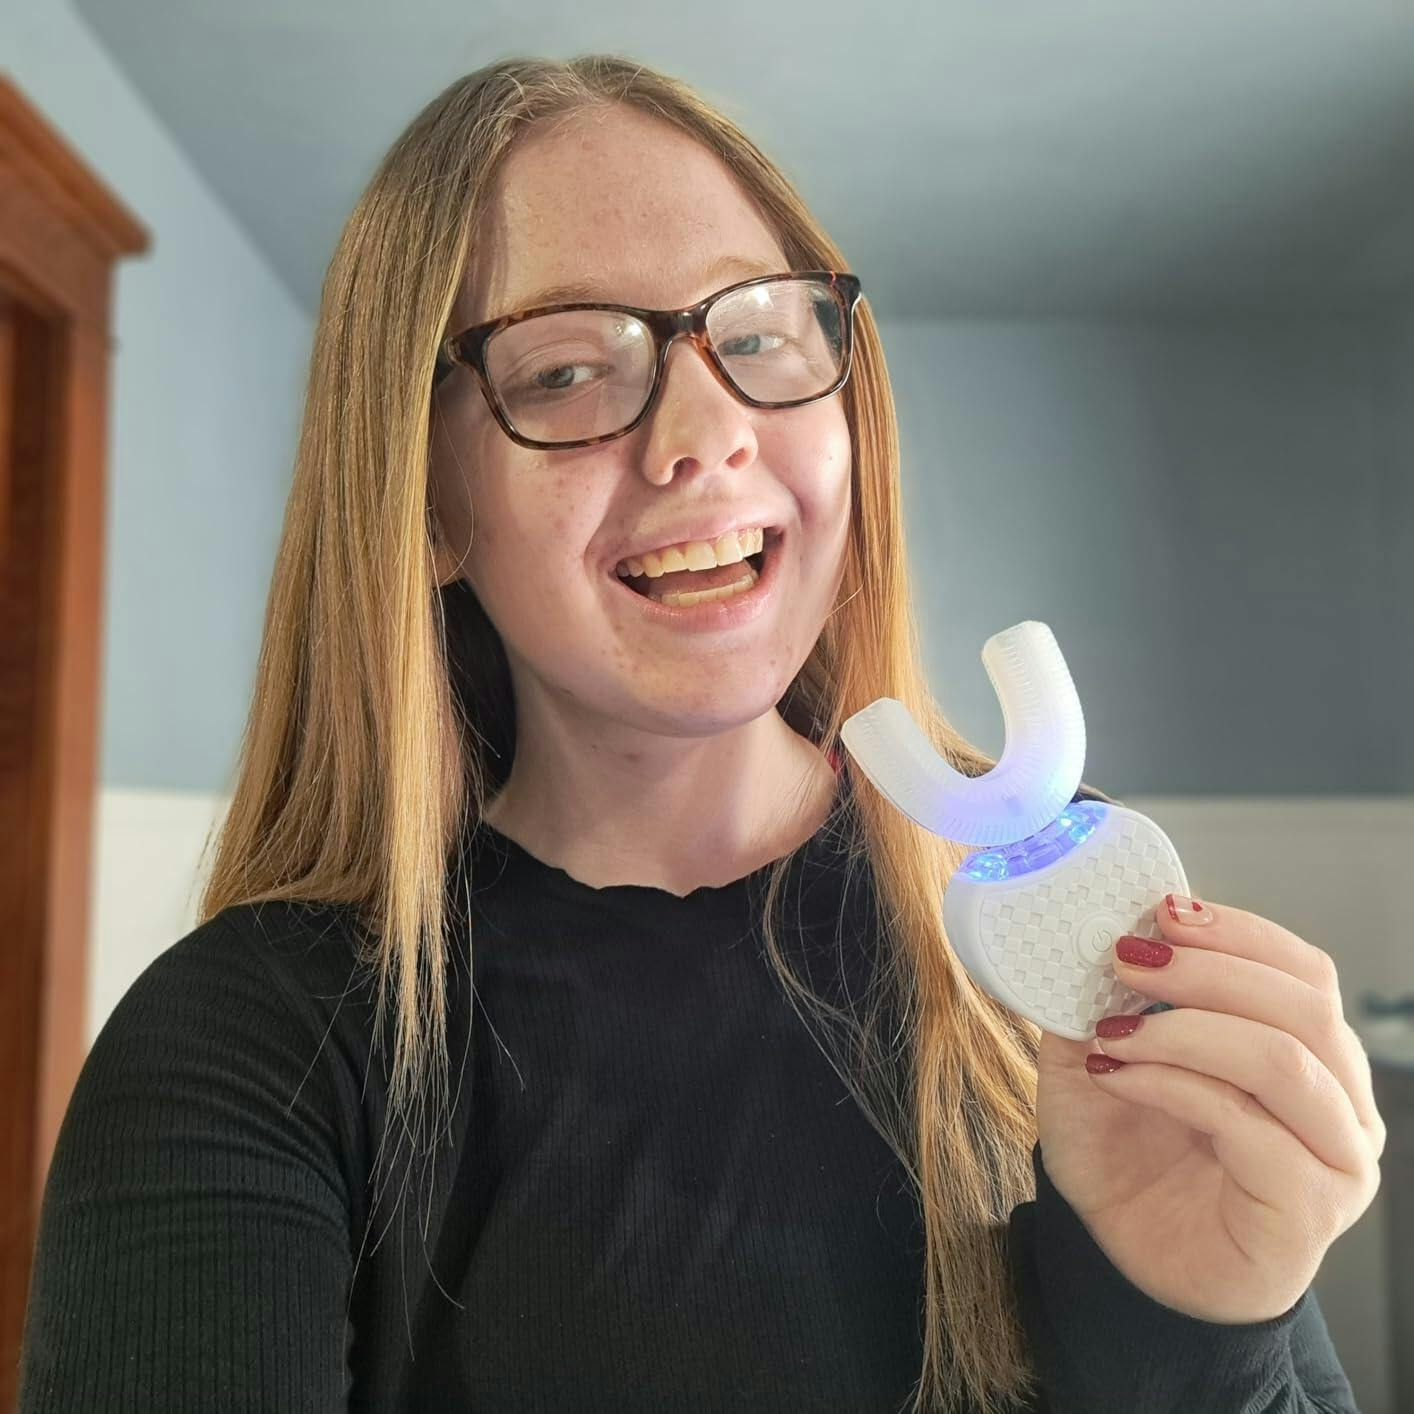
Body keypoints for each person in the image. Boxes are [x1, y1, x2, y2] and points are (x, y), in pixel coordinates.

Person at [18, 55, 1376, 1414]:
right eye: (563, 369)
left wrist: (1197, 1331)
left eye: (761, 335)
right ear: (419, 499)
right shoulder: (253, 1042)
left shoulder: (1063, 926)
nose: (706, 435)